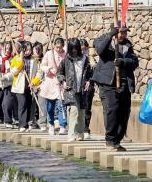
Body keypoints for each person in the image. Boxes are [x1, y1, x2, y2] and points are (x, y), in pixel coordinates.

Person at [92, 23, 139, 151]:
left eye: (125, 32)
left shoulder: (128, 45)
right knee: (111, 110)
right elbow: (99, 50)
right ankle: (110, 140)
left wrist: (123, 62)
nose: (123, 35)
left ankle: (117, 140)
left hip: (124, 83)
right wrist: (110, 35)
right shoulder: (103, 39)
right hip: (108, 83)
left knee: (124, 112)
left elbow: (135, 62)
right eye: (121, 32)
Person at [57, 38, 92, 142]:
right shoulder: (66, 60)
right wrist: (63, 81)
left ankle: (80, 132)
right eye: (72, 49)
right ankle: (71, 134)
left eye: (76, 48)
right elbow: (60, 73)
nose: (74, 51)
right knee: (73, 111)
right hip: (70, 89)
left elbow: (89, 73)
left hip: (82, 89)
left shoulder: (85, 59)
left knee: (81, 112)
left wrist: (88, 81)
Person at [40, 37, 67, 135]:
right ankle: (51, 124)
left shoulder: (65, 55)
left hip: (60, 83)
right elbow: (42, 66)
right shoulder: (49, 54)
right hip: (50, 82)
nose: (59, 50)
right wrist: (49, 69)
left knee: (61, 105)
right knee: (50, 106)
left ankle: (62, 125)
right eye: (57, 48)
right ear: (54, 46)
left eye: (60, 48)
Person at [11, 41, 37, 133]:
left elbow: (38, 72)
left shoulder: (34, 59)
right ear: (23, 50)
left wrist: (34, 82)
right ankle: (22, 125)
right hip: (19, 86)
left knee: (29, 105)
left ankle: (27, 123)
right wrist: (20, 62)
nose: (28, 52)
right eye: (26, 50)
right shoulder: (16, 59)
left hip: (29, 86)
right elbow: (13, 72)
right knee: (22, 104)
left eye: (30, 50)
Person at [80, 39, 96, 139]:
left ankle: (86, 128)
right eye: (81, 50)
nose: (83, 52)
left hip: (88, 87)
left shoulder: (91, 61)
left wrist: (89, 81)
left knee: (87, 108)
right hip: (77, 87)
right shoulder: (74, 59)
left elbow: (94, 74)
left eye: (85, 49)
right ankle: (78, 128)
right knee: (77, 109)